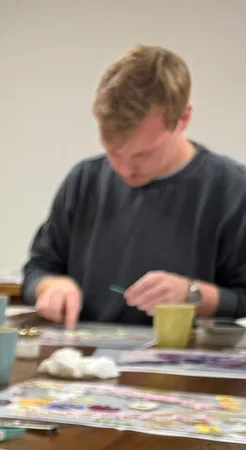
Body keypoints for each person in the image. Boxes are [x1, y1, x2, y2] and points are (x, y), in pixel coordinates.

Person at [22, 46, 246, 328]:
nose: (126, 170)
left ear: (183, 119)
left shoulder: (233, 189)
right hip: (84, 363)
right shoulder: (84, 180)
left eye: (143, 154)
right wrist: (51, 287)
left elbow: (242, 297)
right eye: (113, 152)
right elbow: (38, 268)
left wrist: (194, 294)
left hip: (186, 365)